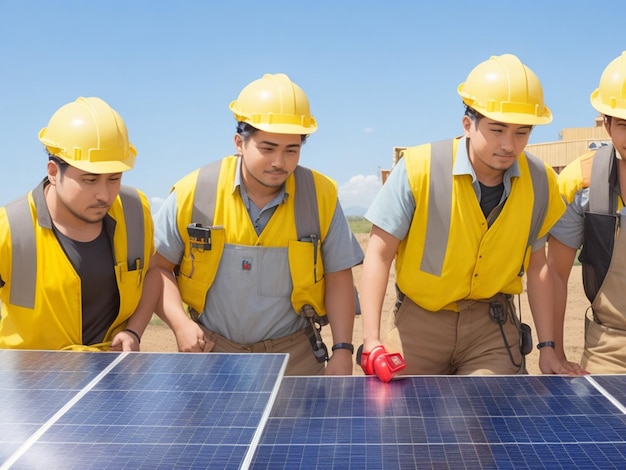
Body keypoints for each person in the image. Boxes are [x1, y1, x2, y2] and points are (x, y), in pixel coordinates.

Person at [358, 54, 586, 381]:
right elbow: (379, 255)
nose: (509, 145)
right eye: (497, 129)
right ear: (468, 123)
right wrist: (371, 340)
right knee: (408, 424)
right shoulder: (418, 168)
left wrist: (548, 347)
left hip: (491, 328)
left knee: (487, 423)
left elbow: (538, 266)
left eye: (522, 133)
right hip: (419, 325)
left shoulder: (541, 181)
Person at [134, 73, 363, 375]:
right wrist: (180, 324)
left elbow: (338, 276)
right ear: (239, 143)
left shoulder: (321, 195)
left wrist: (342, 349)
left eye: (291, 150)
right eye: (268, 148)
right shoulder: (194, 192)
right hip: (212, 354)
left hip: (295, 356)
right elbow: (159, 267)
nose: (279, 162)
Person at [0, 97, 154, 351]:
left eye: (114, 178)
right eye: (90, 180)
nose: (104, 195)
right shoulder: (10, 228)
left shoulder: (136, 211)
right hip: (29, 382)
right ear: (53, 171)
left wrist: (133, 331)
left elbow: (152, 275)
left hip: (111, 377)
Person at [548, 51, 626, 373]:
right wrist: (553, 350)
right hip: (608, 348)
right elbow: (555, 274)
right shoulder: (579, 181)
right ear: (606, 124)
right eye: (624, 124)